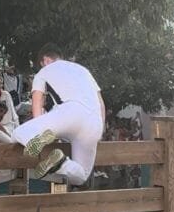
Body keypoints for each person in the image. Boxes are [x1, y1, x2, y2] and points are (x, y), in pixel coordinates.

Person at [13, 43, 105, 185]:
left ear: (46, 60)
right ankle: (62, 164)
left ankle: (51, 152)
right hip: (94, 122)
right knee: (81, 177)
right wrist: (99, 132)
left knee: (18, 133)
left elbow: (37, 99)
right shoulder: (83, 70)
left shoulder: (44, 71)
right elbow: (101, 103)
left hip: (70, 112)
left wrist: (38, 127)